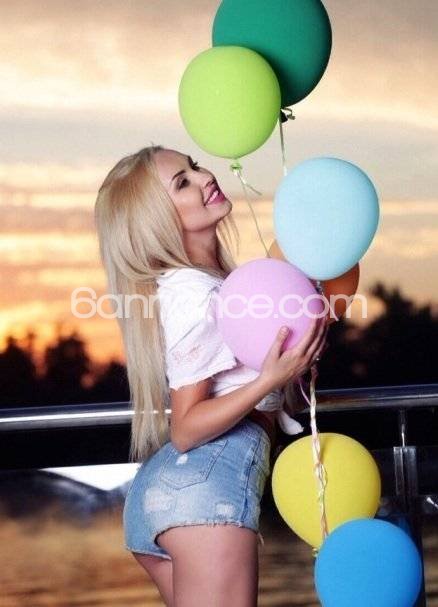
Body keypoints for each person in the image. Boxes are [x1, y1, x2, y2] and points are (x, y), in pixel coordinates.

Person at [94, 145, 328, 606]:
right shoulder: (196, 295)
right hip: (206, 492)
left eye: (194, 166)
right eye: (182, 182)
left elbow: (254, 387)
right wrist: (269, 379)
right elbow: (186, 428)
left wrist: (292, 365)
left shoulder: (215, 284)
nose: (205, 177)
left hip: (180, 490)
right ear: (157, 220)